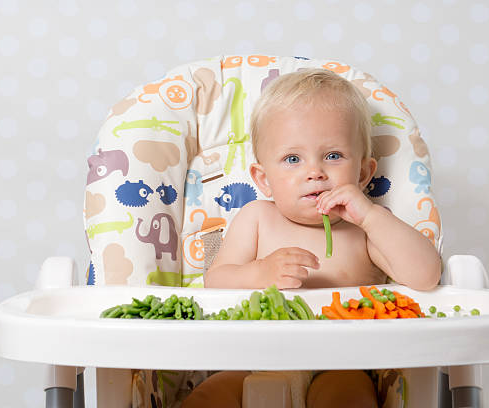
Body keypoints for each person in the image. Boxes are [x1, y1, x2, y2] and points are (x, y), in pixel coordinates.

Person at [182, 69, 441, 408]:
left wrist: (371, 216)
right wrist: (260, 273)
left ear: (363, 173)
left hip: (340, 366)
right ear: (264, 179)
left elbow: (426, 275)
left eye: (333, 156)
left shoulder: (366, 230)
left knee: (348, 398)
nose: (314, 171)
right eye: (292, 159)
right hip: (249, 363)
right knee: (209, 397)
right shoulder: (258, 218)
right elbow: (215, 281)